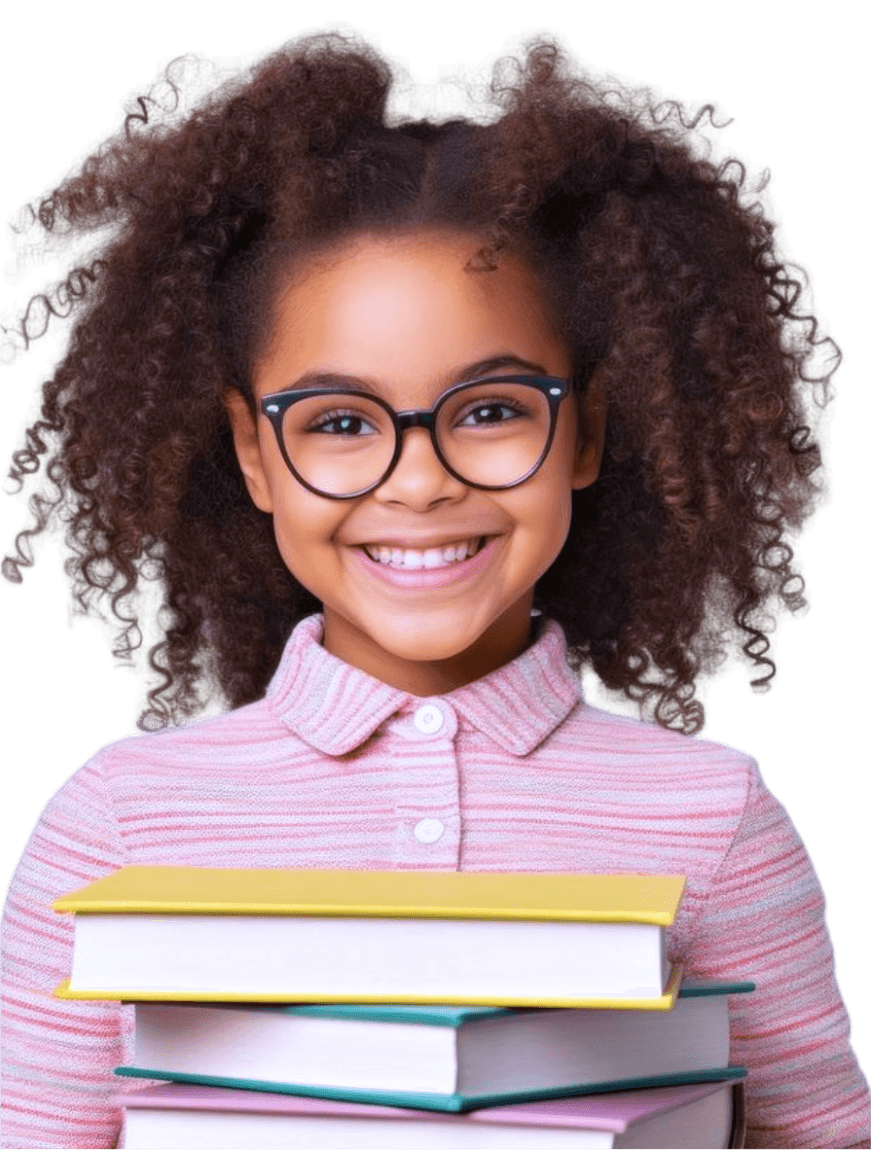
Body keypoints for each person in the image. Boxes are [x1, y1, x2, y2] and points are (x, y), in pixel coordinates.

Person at [1, 26, 868, 1149]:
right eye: (339, 423)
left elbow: (818, 1141)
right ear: (255, 456)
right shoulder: (117, 821)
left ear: (584, 433)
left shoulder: (715, 816)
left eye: (492, 410)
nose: (418, 482)